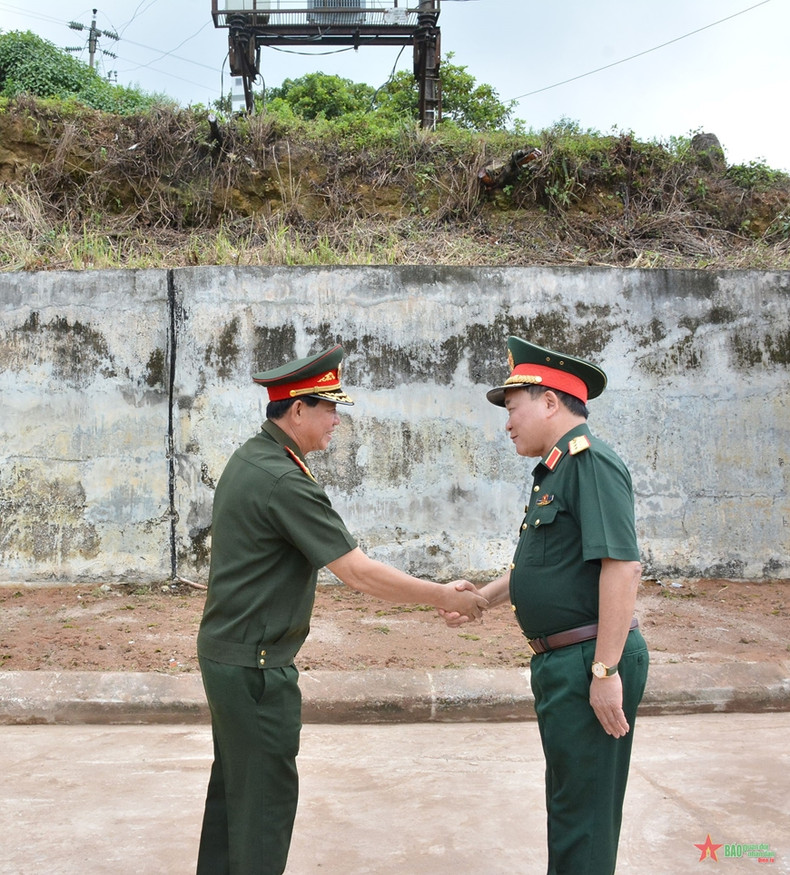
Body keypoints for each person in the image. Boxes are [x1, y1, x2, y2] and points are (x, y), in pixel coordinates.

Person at [195, 343, 487, 875]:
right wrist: (443, 596)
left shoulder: (253, 457)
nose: (336, 419)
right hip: (256, 669)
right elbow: (356, 572)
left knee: (235, 799)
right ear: (297, 409)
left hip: (231, 657)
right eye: (328, 407)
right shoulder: (284, 479)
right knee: (263, 808)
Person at [443, 335, 649, 875]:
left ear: (551, 402)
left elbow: (622, 567)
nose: (507, 423)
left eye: (513, 409)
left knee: (584, 814)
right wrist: (481, 601)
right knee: (569, 803)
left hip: (588, 659)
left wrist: (605, 669)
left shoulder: (591, 464)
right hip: (564, 662)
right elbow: (540, 565)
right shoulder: (556, 471)